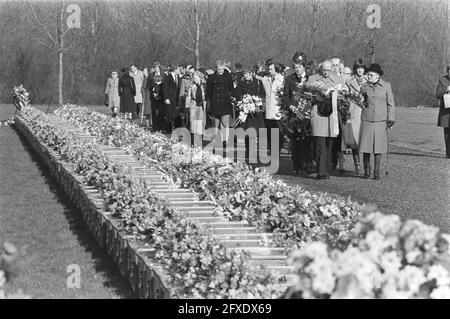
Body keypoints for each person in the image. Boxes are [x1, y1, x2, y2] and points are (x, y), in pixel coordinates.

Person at [359, 63, 395, 180]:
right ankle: (367, 169)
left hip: (380, 120)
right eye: (368, 75)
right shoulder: (364, 86)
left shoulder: (386, 86)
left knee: (378, 147)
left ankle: (376, 170)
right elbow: (361, 102)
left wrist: (391, 118)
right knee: (366, 146)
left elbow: (391, 104)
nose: (368, 77)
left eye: (370, 75)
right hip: (367, 119)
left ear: (377, 76)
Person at [307, 60, 341, 179]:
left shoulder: (338, 80)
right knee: (319, 143)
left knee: (329, 144)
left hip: (331, 114)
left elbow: (342, 96)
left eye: (328, 70)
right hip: (318, 113)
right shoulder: (312, 79)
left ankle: (327, 171)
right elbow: (307, 95)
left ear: (332, 70)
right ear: (320, 69)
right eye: (324, 70)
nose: (326, 72)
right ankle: (320, 171)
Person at [283, 60, 313, 175]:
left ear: (304, 67)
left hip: (307, 113)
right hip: (294, 114)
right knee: (295, 141)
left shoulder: (310, 78)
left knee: (307, 140)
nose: (297, 69)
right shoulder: (289, 79)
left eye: (299, 67)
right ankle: (297, 165)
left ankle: (308, 164)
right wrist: (291, 106)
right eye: (295, 67)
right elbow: (285, 96)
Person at [234, 66, 266, 159]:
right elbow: (237, 94)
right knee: (246, 132)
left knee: (254, 131)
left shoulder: (258, 82)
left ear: (252, 73)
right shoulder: (241, 83)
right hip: (245, 111)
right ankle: (248, 150)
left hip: (255, 111)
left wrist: (256, 100)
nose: (246, 75)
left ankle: (252, 150)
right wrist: (242, 100)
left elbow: (262, 94)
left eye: (248, 74)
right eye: (245, 74)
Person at [343, 58, 367, 174]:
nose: (360, 70)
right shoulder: (349, 81)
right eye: (358, 68)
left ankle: (366, 164)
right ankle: (357, 164)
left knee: (365, 139)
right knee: (354, 140)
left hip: (365, 112)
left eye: (362, 68)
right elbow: (345, 97)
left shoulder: (368, 80)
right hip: (353, 111)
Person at [206, 60, 234, 152]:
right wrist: (209, 103)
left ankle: (224, 141)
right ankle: (215, 141)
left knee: (225, 123)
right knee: (215, 124)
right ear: (216, 69)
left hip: (225, 103)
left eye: (222, 69)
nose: (221, 71)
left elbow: (231, 89)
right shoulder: (211, 78)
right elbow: (208, 92)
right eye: (219, 69)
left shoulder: (228, 77)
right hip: (215, 103)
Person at [257, 61, 285, 154]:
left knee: (278, 131)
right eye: (268, 69)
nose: (269, 71)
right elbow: (258, 76)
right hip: (268, 109)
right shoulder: (266, 78)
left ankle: (277, 149)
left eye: (271, 69)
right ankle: (271, 148)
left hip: (278, 108)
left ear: (276, 69)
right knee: (269, 131)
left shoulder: (282, 79)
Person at [186, 71, 207, 147]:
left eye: (195, 78)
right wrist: (187, 107)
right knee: (193, 125)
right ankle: (193, 143)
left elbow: (205, 97)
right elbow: (188, 96)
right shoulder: (191, 86)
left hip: (201, 107)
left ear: (199, 78)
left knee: (200, 125)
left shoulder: (204, 86)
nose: (194, 79)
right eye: (193, 78)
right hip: (193, 106)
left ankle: (199, 143)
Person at [436, 64, 450, 158]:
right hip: (446, 112)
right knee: (447, 133)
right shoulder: (442, 80)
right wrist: (446, 89)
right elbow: (437, 94)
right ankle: (448, 154)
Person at [162, 64, 181, 133]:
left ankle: (176, 129)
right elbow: (165, 88)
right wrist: (166, 98)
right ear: (175, 70)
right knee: (169, 114)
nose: (180, 71)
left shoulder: (178, 77)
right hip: (169, 98)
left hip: (176, 99)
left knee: (176, 114)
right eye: (178, 69)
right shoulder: (168, 77)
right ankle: (168, 129)